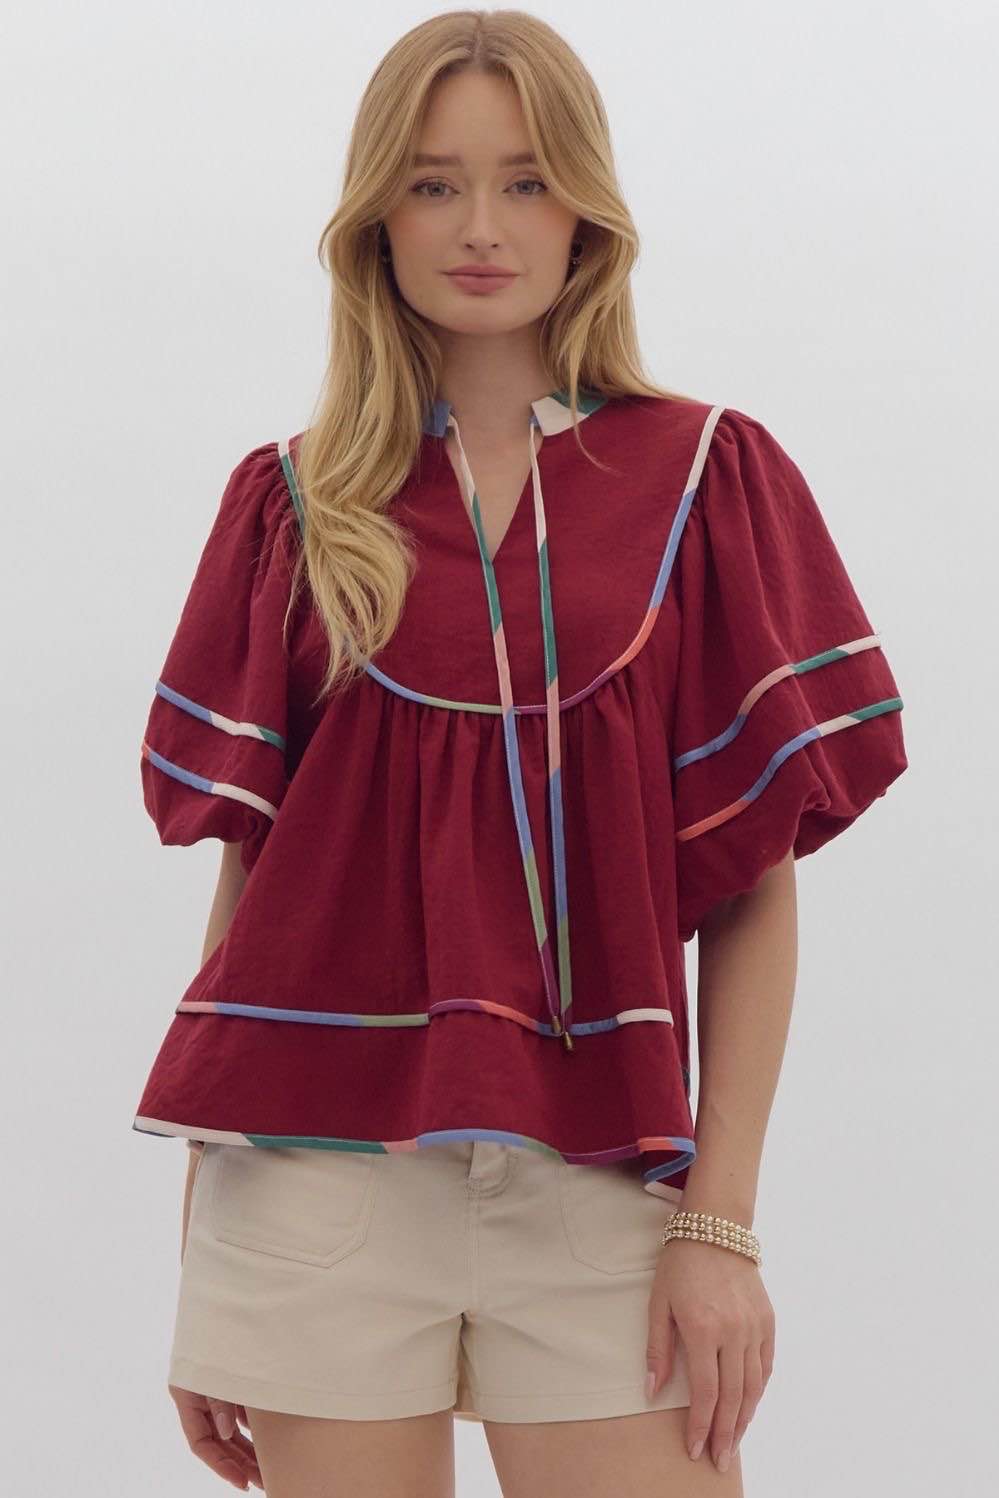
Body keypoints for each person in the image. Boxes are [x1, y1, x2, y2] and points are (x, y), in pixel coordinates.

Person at [132, 10, 908, 1496]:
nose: (481, 226)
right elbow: (258, 874)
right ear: (377, 218)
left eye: (527, 180)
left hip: (607, 1181)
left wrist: (721, 1223)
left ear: (586, 212)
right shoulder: (293, 503)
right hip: (312, 1192)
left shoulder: (708, 480)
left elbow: (753, 880)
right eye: (433, 184)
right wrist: (209, 1251)